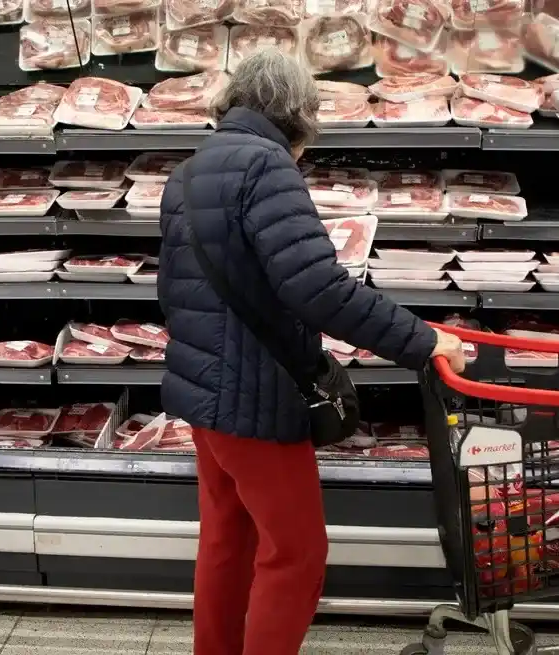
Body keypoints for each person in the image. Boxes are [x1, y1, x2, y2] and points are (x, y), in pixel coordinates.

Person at [157, 49, 466, 655]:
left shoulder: (189, 171)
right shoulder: (267, 168)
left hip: (203, 389)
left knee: (227, 538)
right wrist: (425, 341)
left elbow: (174, 289)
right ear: (300, 114)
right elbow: (319, 289)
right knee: (297, 552)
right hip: (256, 396)